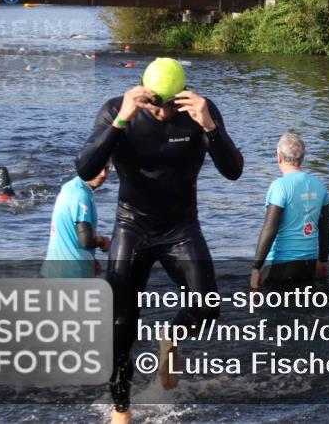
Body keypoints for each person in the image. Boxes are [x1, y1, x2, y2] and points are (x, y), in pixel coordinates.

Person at [75, 57, 243, 423]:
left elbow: (233, 171)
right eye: (155, 104)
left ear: (181, 95)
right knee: (121, 322)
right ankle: (121, 407)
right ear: (144, 95)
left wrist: (211, 128)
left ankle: (171, 335)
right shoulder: (117, 111)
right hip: (132, 226)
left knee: (207, 306)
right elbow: (85, 168)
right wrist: (120, 120)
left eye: (170, 104)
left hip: (181, 227)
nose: (163, 112)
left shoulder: (201, 111)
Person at [250, 133, 329, 289]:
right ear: (302, 157)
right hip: (309, 265)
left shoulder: (279, 186)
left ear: (279, 156)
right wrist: (323, 261)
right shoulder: (319, 185)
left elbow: (270, 229)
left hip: (280, 266)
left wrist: (255, 267)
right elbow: (326, 228)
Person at [41, 166, 112, 278]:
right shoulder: (81, 195)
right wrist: (104, 242)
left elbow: (69, 232)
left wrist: (89, 258)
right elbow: (86, 240)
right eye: (99, 168)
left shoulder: (70, 187)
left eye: (107, 169)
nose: (103, 174)